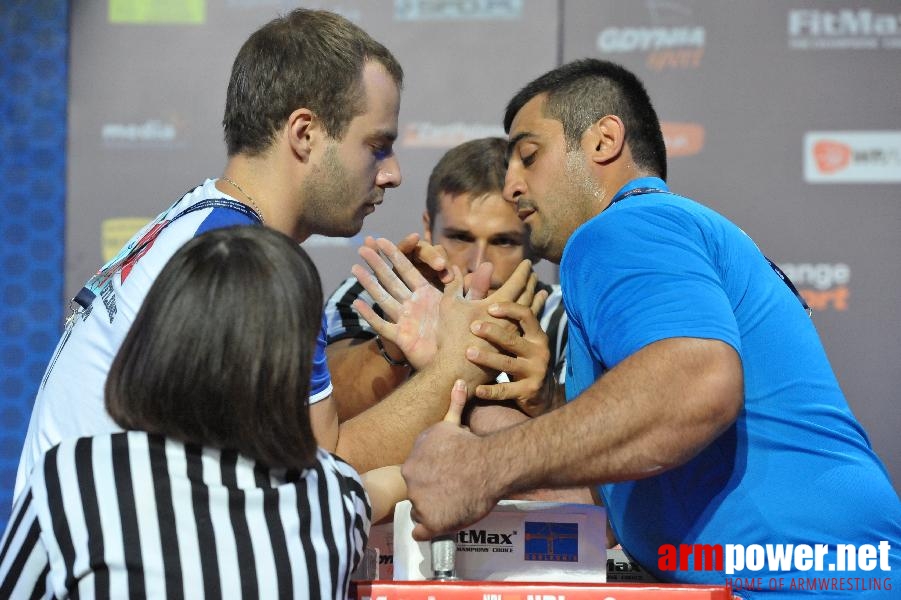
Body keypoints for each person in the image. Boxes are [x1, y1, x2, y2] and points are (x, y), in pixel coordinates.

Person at [401, 59, 901, 596]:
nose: (511, 184)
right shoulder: (670, 230)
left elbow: (697, 384)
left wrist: (481, 468)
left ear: (604, 140)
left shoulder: (622, 227)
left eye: (528, 155)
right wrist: (464, 395)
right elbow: (612, 494)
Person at [14, 8, 516, 503]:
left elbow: (294, 425)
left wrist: (398, 348)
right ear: (304, 134)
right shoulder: (242, 264)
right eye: (377, 146)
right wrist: (461, 360)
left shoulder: (207, 222)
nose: (393, 174)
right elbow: (318, 481)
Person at [0, 227, 470, 598]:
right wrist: (452, 441)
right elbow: (392, 483)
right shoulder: (330, 493)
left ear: (158, 337)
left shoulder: (73, 477)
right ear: (289, 366)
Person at [324, 137, 568, 421]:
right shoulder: (369, 294)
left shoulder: (570, 316)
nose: (478, 264)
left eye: (504, 241)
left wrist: (547, 401)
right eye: (460, 238)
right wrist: (395, 344)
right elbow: (324, 406)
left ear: (533, 241)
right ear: (428, 228)